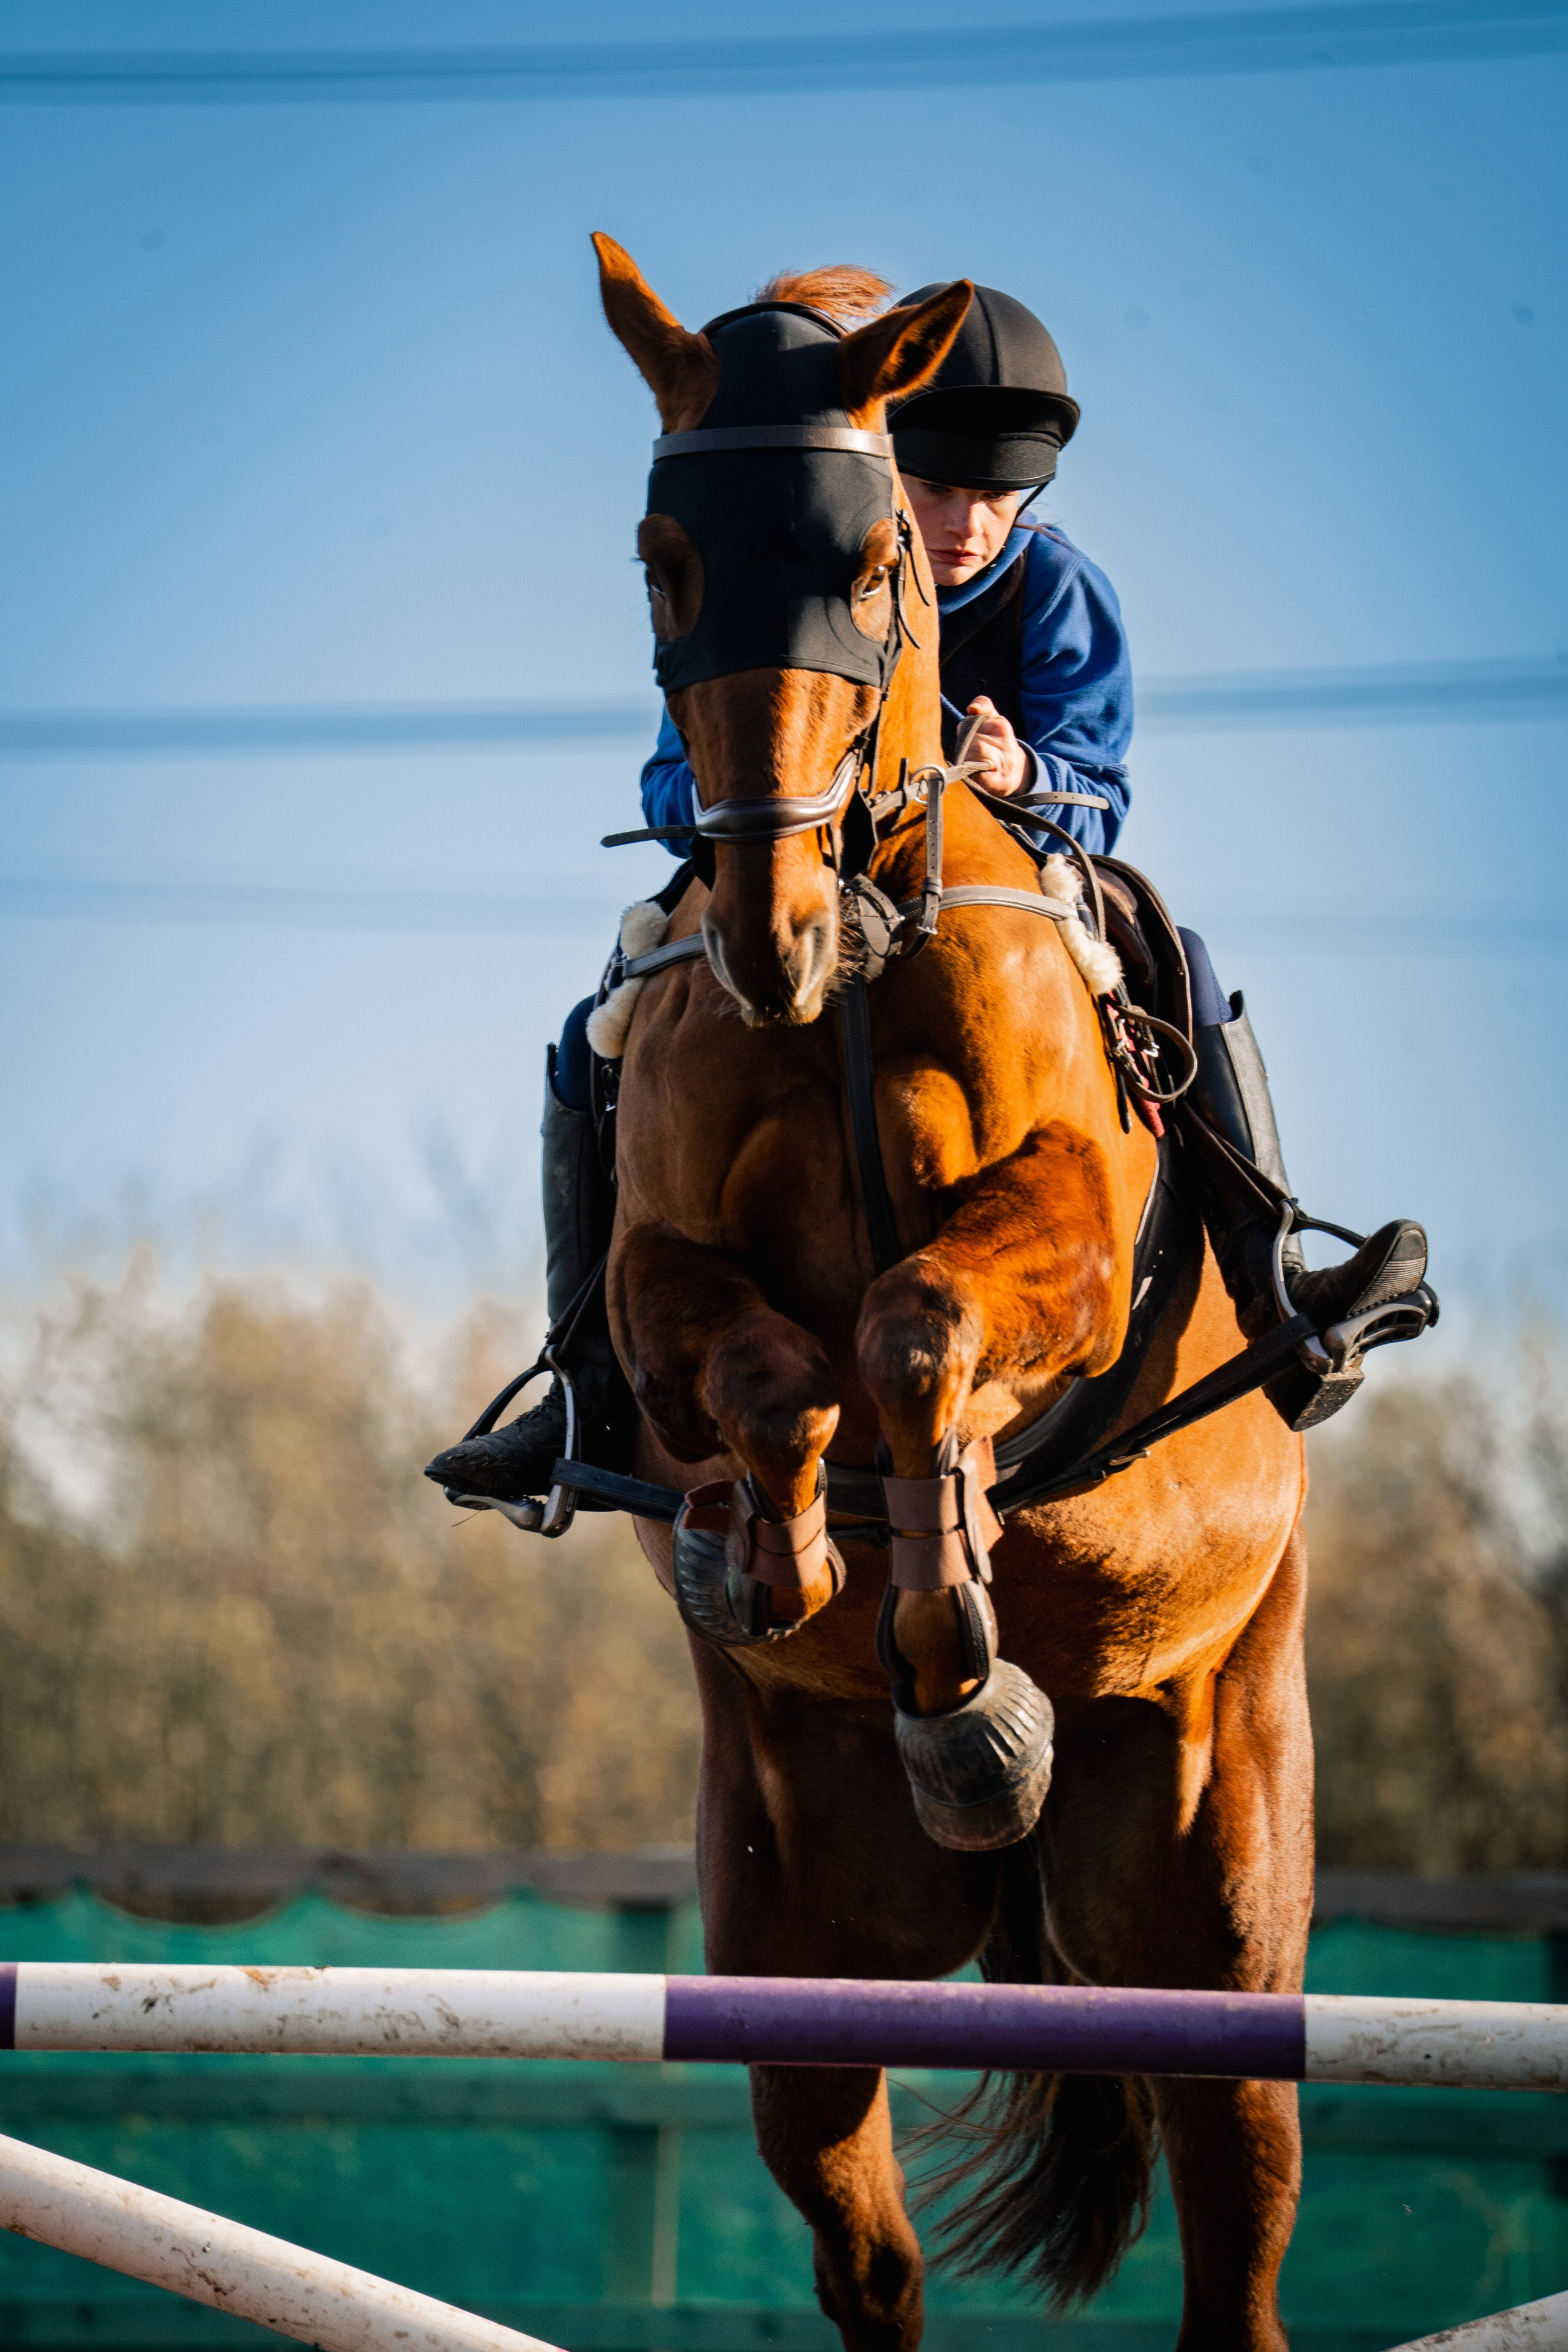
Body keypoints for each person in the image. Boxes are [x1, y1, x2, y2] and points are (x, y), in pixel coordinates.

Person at [428, 279, 1431, 1506]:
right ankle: (580, 1373)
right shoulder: (788, 577)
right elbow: (666, 765)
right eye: (939, 493)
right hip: (786, 864)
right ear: (881, 472)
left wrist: (1024, 772)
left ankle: (1273, 1271)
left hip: (1008, 873)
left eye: (997, 500)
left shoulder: (1054, 589)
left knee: (1182, 954)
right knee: (603, 1022)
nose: (965, 524)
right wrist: (726, 797)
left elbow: (1099, 786)